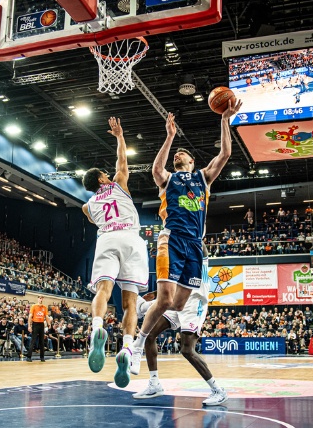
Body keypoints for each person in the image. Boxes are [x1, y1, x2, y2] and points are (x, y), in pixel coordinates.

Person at [130, 99, 242, 389]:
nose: (180, 154)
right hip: (171, 239)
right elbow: (156, 168)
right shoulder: (168, 179)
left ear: (192, 162)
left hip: (194, 244)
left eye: (184, 152)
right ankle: (138, 344)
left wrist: (224, 119)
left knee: (177, 303)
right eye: (176, 153)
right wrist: (169, 137)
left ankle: (144, 312)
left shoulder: (203, 178)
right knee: (167, 300)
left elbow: (225, 153)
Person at [81, 117, 149, 388]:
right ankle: (128, 348)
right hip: (132, 240)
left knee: (103, 291)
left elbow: (90, 216)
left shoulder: (87, 206)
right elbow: (122, 161)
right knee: (130, 303)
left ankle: (97, 328)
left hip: (107, 238)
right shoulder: (119, 183)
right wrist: (119, 136)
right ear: (102, 178)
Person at [133, 251, 227, 406]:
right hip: (178, 301)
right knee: (149, 334)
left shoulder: (198, 252)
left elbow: (199, 245)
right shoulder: (178, 258)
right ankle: (154, 383)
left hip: (194, 303)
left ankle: (218, 390)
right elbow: (177, 285)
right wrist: (157, 295)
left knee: (187, 350)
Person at [26, 296, 47, 362]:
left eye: (42, 298)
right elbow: (30, 316)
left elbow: (46, 316)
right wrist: (29, 326)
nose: (41, 299)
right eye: (40, 298)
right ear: (38, 299)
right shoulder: (34, 306)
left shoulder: (44, 307)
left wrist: (49, 324)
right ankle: (29, 357)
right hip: (35, 323)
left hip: (41, 324)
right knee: (33, 340)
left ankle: (42, 357)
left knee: (42, 341)